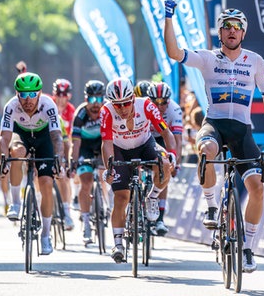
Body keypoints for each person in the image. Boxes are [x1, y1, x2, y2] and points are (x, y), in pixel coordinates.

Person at [164, 1, 264, 273]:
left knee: (257, 187)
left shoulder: (255, 61)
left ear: (243, 33)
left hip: (242, 130)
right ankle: (210, 206)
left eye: (237, 27)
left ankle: (247, 249)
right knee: (206, 148)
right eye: (227, 27)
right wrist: (168, 19)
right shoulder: (207, 58)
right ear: (219, 33)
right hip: (215, 124)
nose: (232, 31)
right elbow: (174, 52)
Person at [101, 77, 176, 263]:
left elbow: (166, 131)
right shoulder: (106, 111)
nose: (123, 108)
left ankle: (152, 196)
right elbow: (107, 143)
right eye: (117, 105)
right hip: (119, 150)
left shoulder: (147, 106)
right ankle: (118, 244)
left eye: (126, 103)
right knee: (121, 197)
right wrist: (109, 167)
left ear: (133, 98)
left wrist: (172, 153)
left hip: (145, 144)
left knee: (165, 163)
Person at [0, 72, 64, 255]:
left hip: (44, 139)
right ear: (17, 94)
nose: (28, 99)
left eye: (32, 94)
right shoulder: (11, 107)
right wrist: (4, 159)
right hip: (22, 135)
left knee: (47, 183)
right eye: (23, 95)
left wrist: (59, 158)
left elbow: (57, 137)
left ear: (40, 93)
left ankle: (45, 235)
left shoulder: (49, 105)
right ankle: (16, 203)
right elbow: (4, 138)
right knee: (16, 153)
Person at [70, 80, 105, 245]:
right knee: (86, 182)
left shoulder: (106, 112)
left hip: (103, 144)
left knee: (110, 174)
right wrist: (74, 161)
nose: (96, 104)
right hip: (84, 147)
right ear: (86, 99)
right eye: (92, 100)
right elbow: (75, 143)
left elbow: (112, 139)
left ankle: (109, 204)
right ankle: (85, 224)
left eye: (99, 99)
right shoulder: (80, 115)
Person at [147, 82, 183, 236]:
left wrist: (176, 163)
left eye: (164, 102)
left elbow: (178, 140)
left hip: (163, 138)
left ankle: (160, 218)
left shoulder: (174, 109)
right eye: (156, 102)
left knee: (164, 170)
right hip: (146, 137)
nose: (160, 106)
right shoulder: (144, 107)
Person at [51, 78, 76, 230]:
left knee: (65, 176)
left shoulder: (72, 111)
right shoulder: (48, 103)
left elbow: (71, 138)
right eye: (58, 94)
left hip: (65, 142)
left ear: (69, 96)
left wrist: (68, 159)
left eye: (64, 95)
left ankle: (67, 213)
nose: (61, 98)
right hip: (50, 141)